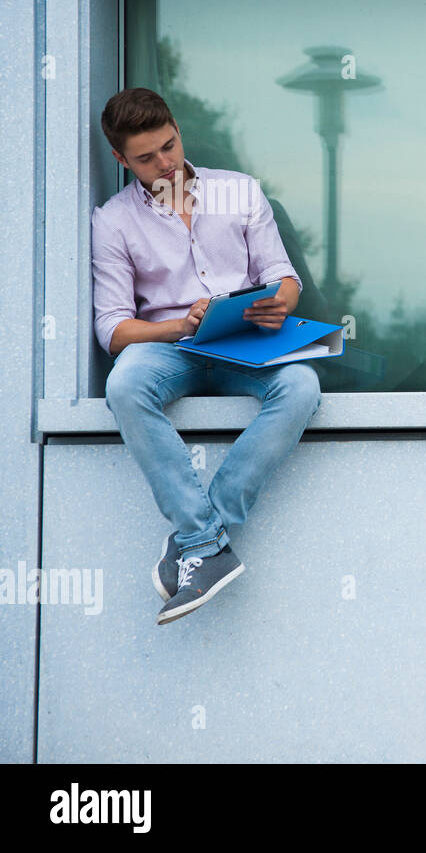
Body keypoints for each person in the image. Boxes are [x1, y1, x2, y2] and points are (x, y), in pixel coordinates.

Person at [91, 87, 321, 625]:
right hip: (170, 348)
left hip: (244, 341)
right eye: (146, 158)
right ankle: (205, 542)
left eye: (169, 146)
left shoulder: (239, 192)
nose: (165, 163)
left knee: (303, 387)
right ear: (121, 159)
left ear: (177, 129)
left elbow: (284, 279)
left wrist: (277, 302)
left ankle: (198, 541)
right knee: (124, 385)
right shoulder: (113, 221)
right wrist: (179, 324)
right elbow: (112, 329)